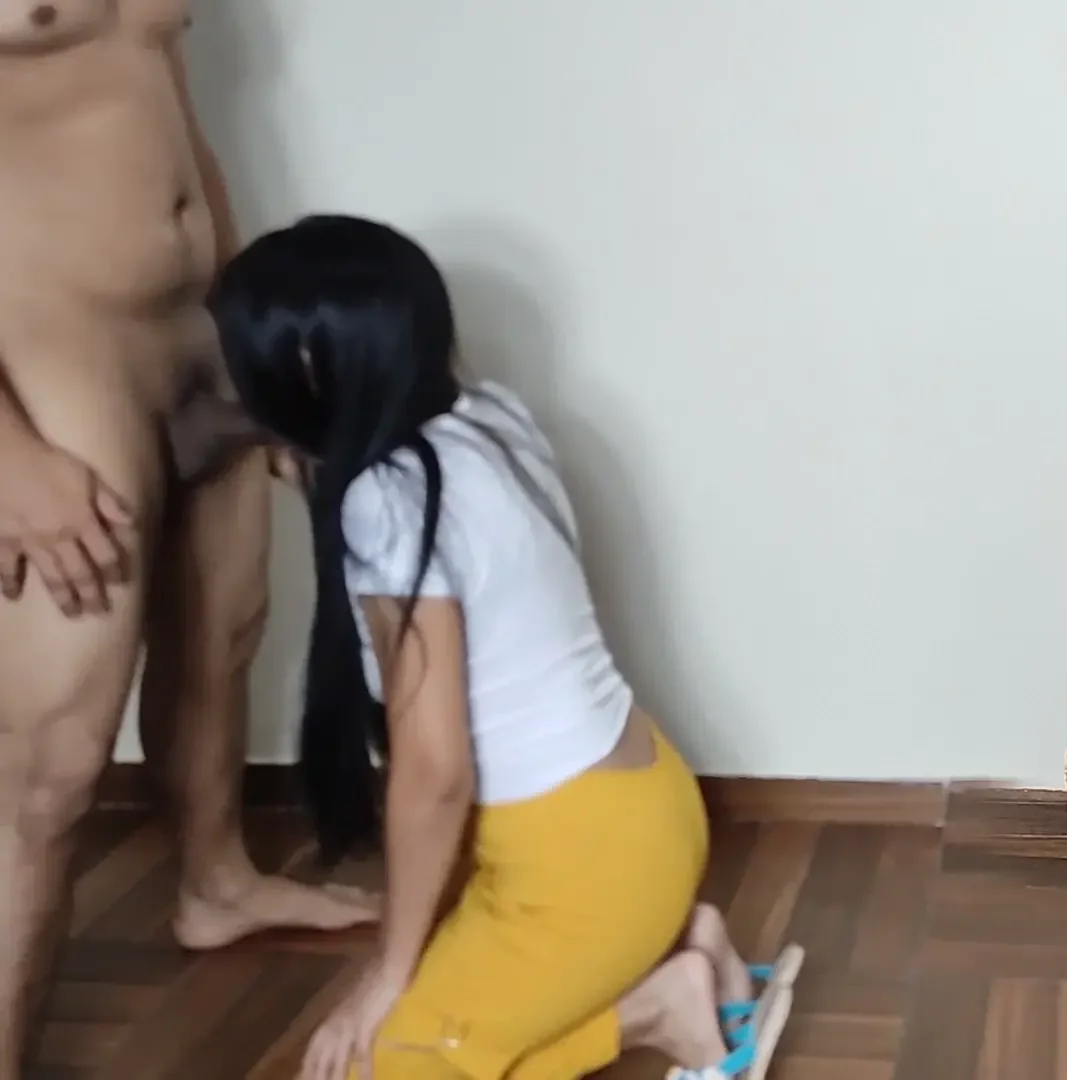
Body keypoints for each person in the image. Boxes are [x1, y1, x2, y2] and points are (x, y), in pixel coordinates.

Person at [205, 213, 799, 1080]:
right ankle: (685, 967)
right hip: (646, 811)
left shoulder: (387, 503)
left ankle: (657, 1008)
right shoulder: (484, 418)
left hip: (580, 869)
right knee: (437, 1025)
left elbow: (436, 774)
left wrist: (385, 975)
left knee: (383, 1068)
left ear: (304, 376)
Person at [0, 4, 378, 1074]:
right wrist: (7, 453)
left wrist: (251, 326)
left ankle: (217, 883)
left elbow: (164, 93)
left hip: (199, 330)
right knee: (52, 765)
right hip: (52, 350)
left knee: (224, 630)